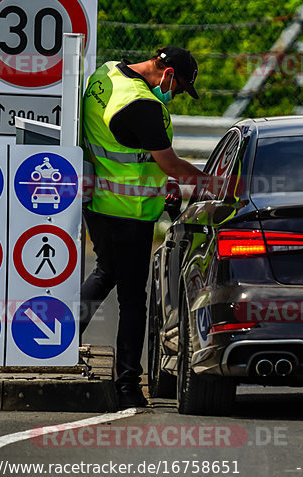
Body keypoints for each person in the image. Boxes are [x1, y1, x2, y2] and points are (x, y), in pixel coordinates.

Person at [79, 46, 215, 408]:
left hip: (98, 202)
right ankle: (127, 386)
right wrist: (215, 185)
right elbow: (169, 162)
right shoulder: (144, 105)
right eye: (180, 88)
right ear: (168, 74)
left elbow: (126, 147)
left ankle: (57, 343)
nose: (176, 95)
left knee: (105, 272)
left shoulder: (106, 76)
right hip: (130, 212)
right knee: (132, 300)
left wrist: (162, 182)